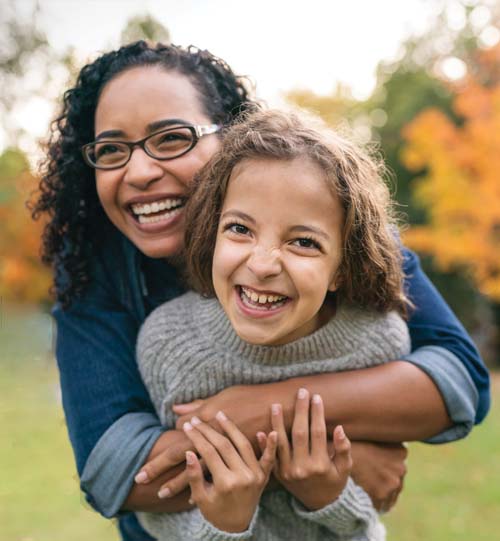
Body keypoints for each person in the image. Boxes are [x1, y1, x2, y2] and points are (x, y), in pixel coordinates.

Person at [31, 41, 489, 541]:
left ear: (230, 139)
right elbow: (116, 474)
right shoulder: (92, 275)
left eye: (171, 139)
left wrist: (266, 409)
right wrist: (341, 459)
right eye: (112, 150)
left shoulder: (327, 221)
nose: (139, 172)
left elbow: (457, 382)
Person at [135, 108, 413, 540]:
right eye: (240, 229)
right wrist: (226, 522)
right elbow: (160, 513)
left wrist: (328, 495)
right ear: (213, 234)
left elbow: (378, 494)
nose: (262, 264)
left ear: (342, 266)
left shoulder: (376, 340)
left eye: (303, 242)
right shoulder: (171, 343)